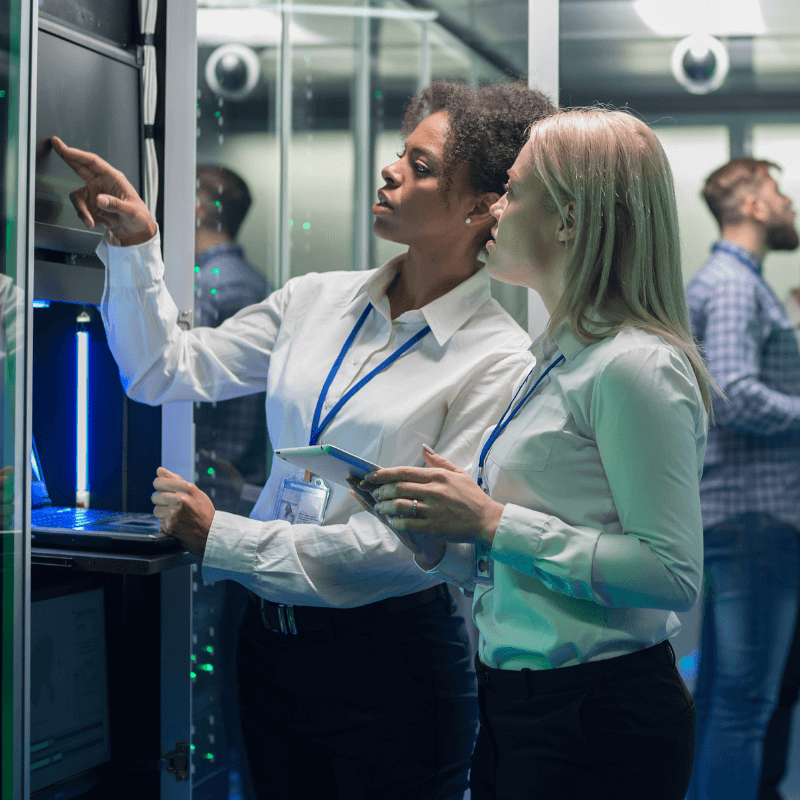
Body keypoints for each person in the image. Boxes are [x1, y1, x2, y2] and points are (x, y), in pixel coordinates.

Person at [51, 79, 556, 800]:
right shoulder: (315, 299)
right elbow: (164, 370)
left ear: (482, 206)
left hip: (391, 665)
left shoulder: (497, 359)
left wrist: (221, 537)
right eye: (399, 154)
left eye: (422, 166)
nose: (391, 170)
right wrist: (136, 245)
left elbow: (407, 552)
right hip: (264, 644)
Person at [361, 107, 712, 800]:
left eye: (514, 191)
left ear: (570, 221)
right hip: (516, 705)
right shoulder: (552, 360)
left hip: (597, 720)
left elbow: (671, 573)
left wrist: (492, 522)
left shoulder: (634, 367)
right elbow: (530, 566)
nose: (494, 207)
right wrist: (443, 538)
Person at [682, 158, 800, 800]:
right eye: (781, 193)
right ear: (753, 205)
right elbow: (736, 395)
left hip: (743, 521)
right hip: (757, 521)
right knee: (745, 708)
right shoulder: (732, 285)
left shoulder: (732, 281)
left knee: (727, 700)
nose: (790, 205)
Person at [192, 164, 270, 515]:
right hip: (247, 486)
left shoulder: (205, 285)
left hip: (206, 490)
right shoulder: (258, 283)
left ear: (195, 208)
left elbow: (184, 384)